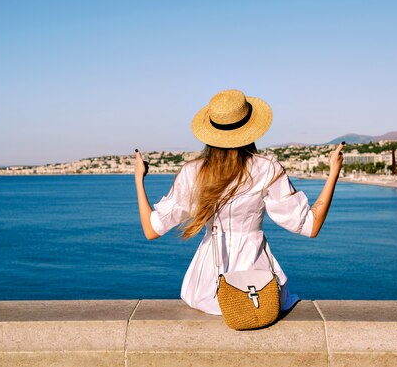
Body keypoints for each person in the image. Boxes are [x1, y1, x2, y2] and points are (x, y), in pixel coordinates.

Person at [134, 89, 344, 315]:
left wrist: (139, 178)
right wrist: (333, 173)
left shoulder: (192, 172)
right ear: (250, 128)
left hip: (206, 286)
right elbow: (309, 225)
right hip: (257, 282)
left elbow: (151, 229)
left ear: (211, 131)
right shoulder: (267, 168)